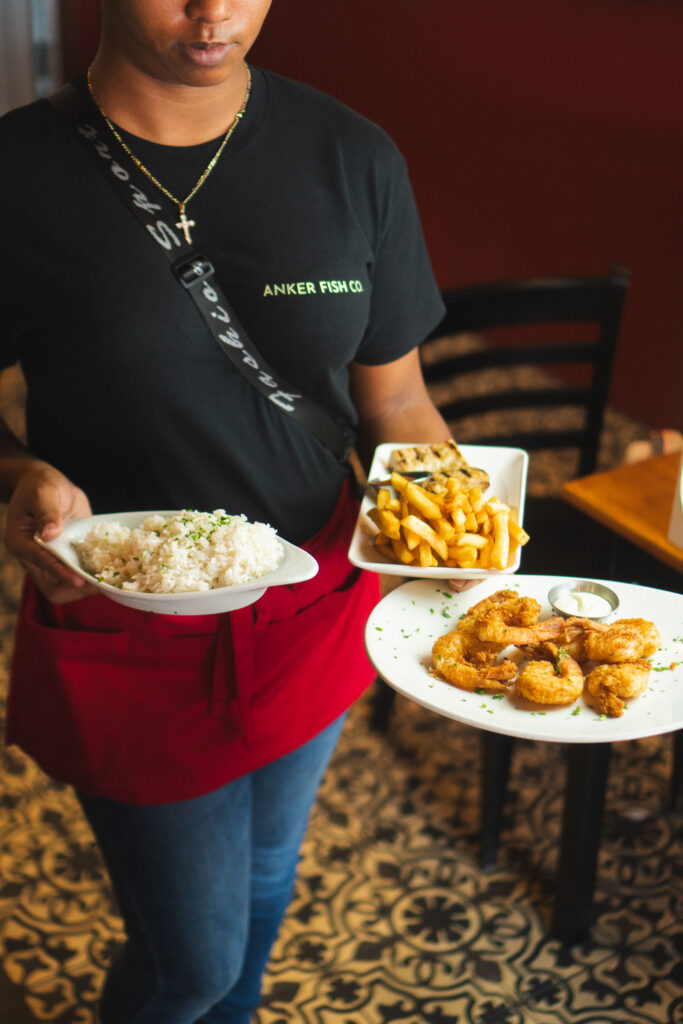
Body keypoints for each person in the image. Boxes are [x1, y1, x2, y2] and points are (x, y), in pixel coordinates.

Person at [0, 2, 454, 1021]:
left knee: (263, 881)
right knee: (188, 964)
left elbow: (395, 400)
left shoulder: (352, 155)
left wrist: (462, 520)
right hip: (133, 616)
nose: (214, 11)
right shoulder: (17, 173)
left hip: (313, 598)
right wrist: (14, 476)